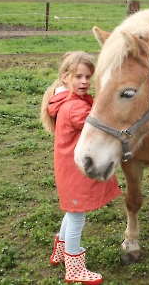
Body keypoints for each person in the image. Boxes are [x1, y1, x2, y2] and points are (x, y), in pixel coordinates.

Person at [40, 51, 121, 284]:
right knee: (77, 218)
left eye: (88, 77)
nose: (84, 82)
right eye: (79, 77)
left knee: (72, 212)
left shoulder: (64, 99)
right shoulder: (75, 108)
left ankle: (60, 250)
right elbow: (101, 125)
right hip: (76, 172)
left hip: (68, 169)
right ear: (65, 77)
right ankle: (74, 267)